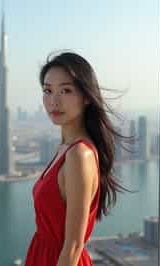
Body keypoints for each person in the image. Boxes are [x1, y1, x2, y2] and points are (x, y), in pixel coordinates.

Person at [24, 50, 133, 266]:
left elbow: (73, 246)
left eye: (65, 90)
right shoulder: (64, 148)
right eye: (48, 90)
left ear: (86, 97)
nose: (54, 100)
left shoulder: (79, 155)